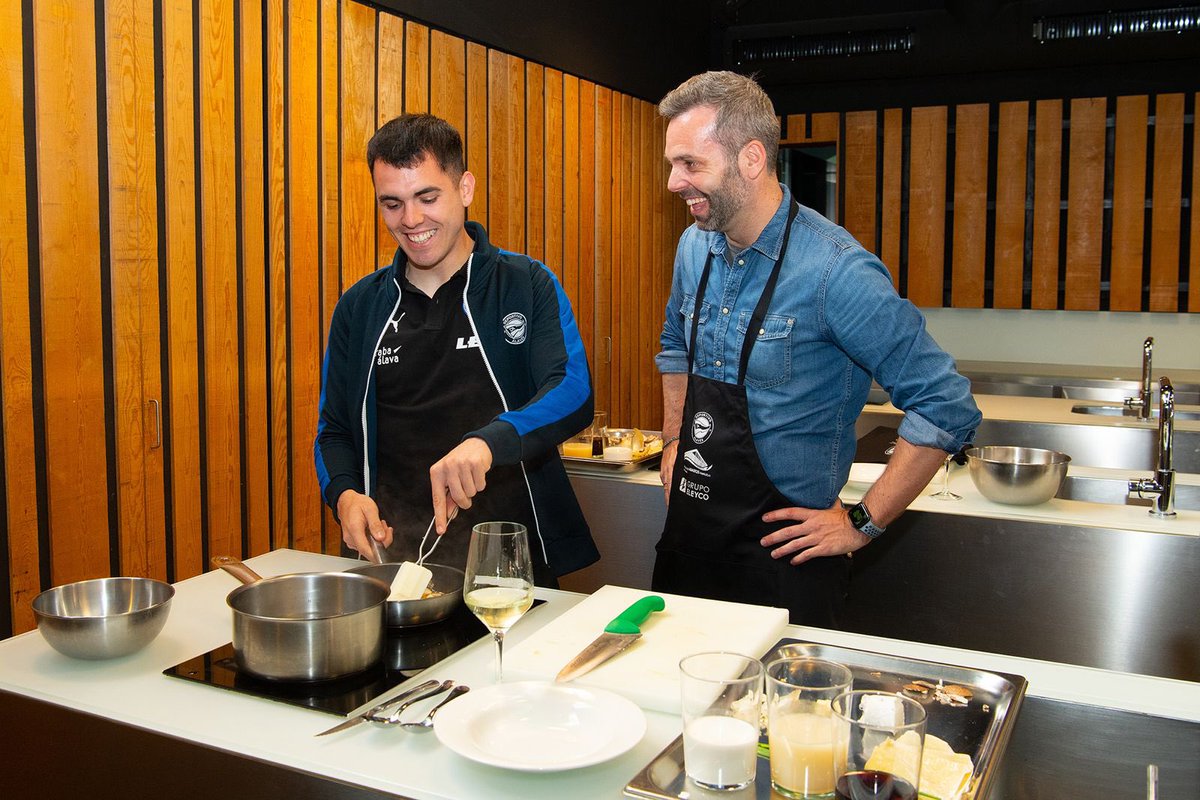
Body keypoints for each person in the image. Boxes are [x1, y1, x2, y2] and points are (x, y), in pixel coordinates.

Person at [652, 72, 981, 626]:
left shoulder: (836, 272)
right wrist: (673, 440)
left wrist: (861, 522)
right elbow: (673, 347)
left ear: (751, 158)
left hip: (785, 566)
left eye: (690, 164)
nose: (672, 182)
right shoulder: (693, 246)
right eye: (672, 163)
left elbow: (945, 403)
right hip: (690, 543)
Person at [314, 113, 599, 586]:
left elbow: (572, 390)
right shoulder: (359, 308)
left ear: (464, 188)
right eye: (392, 204)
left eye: (428, 197)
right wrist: (344, 495)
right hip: (398, 560)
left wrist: (489, 442)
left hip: (515, 560)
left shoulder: (525, 284)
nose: (411, 220)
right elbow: (334, 430)